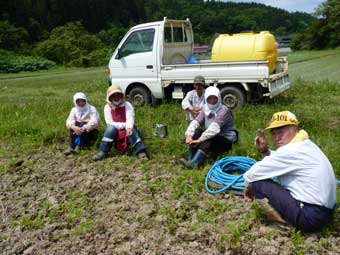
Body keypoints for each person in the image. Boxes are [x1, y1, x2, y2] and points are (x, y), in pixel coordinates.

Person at [243, 111, 337, 232]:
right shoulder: (305, 145)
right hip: (326, 214)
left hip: (310, 217)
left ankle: (283, 226)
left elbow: (252, 174)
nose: (277, 137)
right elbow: (282, 160)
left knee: (257, 183)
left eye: (281, 132)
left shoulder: (292, 151)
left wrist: (247, 186)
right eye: (273, 133)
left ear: (295, 130)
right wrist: (265, 151)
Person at [180, 86, 238, 168]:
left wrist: (200, 140)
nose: (212, 101)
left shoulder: (223, 110)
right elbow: (196, 122)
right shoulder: (205, 108)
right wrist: (189, 136)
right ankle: (190, 159)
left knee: (208, 140)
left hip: (226, 138)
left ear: (219, 98)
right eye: (209, 98)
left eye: (215, 98)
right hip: (213, 136)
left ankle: (194, 164)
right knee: (195, 132)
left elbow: (214, 128)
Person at [93, 85, 149, 161]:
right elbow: (110, 123)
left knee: (132, 128)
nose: (116, 98)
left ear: (121, 95)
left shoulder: (127, 105)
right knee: (110, 129)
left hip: (127, 129)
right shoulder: (107, 107)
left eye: (118, 95)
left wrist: (128, 127)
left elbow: (130, 118)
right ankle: (103, 151)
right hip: (115, 129)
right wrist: (124, 125)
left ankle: (140, 151)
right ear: (109, 97)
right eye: (113, 96)